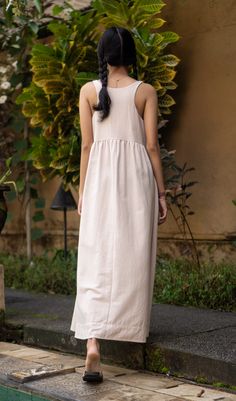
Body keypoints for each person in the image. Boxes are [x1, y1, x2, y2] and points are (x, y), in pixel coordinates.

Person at [70, 26, 168, 383]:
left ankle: (92, 341)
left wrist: (83, 190)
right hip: (137, 178)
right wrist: (161, 193)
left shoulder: (88, 91)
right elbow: (153, 147)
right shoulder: (146, 92)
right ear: (131, 56)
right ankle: (125, 325)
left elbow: (86, 147)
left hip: (100, 179)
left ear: (103, 56)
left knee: (95, 254)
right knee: (132, 252)